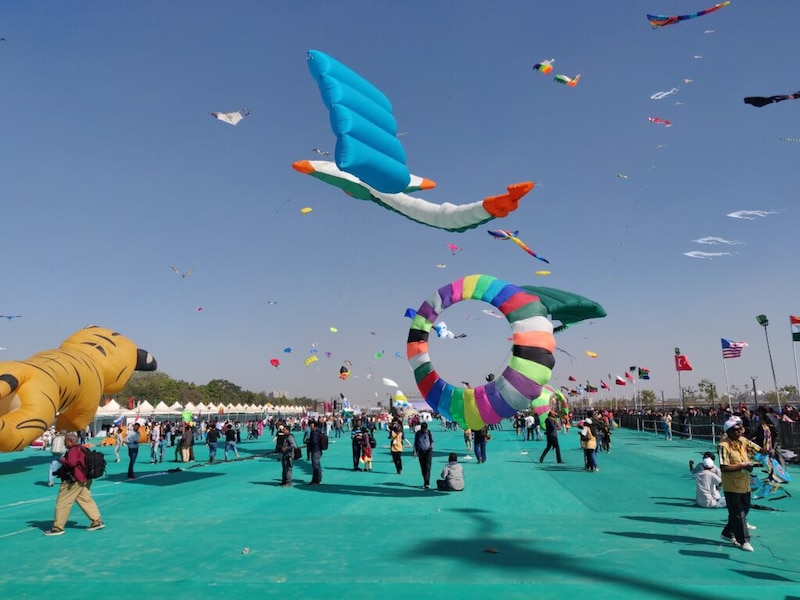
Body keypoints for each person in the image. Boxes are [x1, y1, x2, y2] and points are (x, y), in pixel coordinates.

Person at [43, 432, 104, 535]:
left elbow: (71, 463)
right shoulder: (83, 448)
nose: (64, 443)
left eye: (65, 441)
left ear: (70, 441)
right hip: (85, 479)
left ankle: (58, 528)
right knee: (85, 499)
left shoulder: (73, 450)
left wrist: (61, 459)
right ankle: (97, 521)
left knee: (63, 502)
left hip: (74, 480)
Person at [718, 416, 761, 552]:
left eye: (740, 429)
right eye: (736, 430)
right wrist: (743, 466)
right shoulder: (723, 446)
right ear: (729, 431)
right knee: (738, 513)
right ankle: (744, 540)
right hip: (731, 485)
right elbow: (724, 467)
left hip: (744, 483)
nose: (740, 432)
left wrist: (767, 453)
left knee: (745, 508)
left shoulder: (742, 440)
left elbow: (756, 449)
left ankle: (727, 532)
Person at [413, 422, 434, 488]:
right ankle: (425, 479)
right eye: (423, 429)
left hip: (428, 451)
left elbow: (432, 441)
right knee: (423, 467)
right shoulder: (418, 433)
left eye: (425, 429)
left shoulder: (429, 433)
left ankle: (427, 482)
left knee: (428, 467)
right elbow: (415, 442)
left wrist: (431, 446)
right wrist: (415, 451)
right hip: (420, 451)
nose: (424, 430)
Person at [307, 420, 323, 484]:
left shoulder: (314, 432)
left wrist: (309, 441)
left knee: (315, 466)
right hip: (318, 450)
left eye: (311, 426)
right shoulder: (319, 431)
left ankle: (315, 480)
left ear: (315, 426)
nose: (310, 427)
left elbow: (314, 441)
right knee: (318, 465)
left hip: (315, 450)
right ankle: (319, 478)